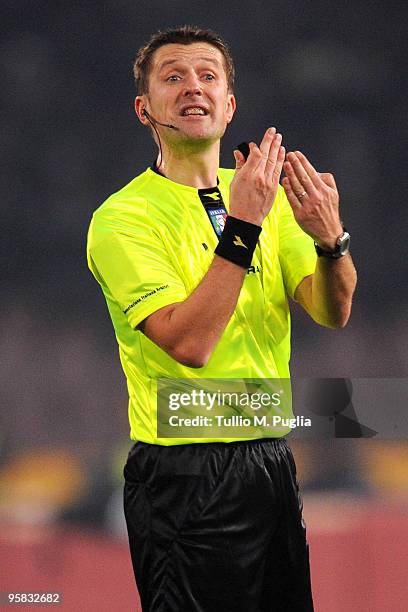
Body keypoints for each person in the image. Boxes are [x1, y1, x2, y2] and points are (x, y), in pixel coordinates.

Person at [87, 25, 357, 612]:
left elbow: (332, 311)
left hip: (269, 459)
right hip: (182, 474)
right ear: (144, 109)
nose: (193, 88)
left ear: (229, 104)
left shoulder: (262, 197)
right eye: (174, 76)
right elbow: (189, 343)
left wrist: (332, 240)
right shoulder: (122, 219)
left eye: (208, 76)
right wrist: (243, 227)